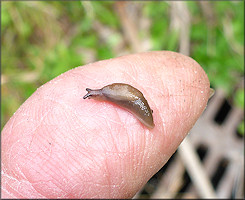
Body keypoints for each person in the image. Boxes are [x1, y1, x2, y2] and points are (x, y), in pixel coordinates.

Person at [1, 51, 210, 198]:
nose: (92, 95)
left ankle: (138, 113)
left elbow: (129, 94)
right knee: (108, 93)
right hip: (111, 93)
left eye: (97, 93)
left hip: (121, 97)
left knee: (127, 103)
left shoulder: (121, 95)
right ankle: (103, 94)